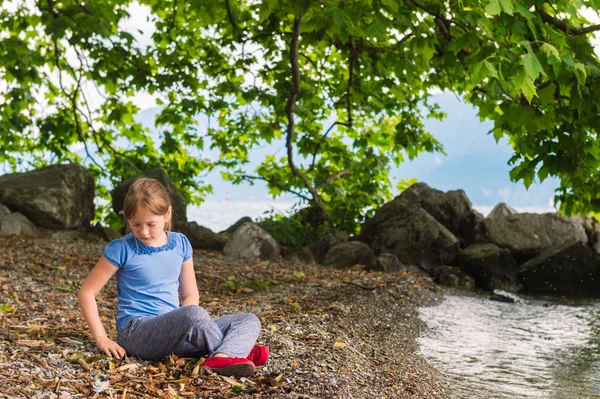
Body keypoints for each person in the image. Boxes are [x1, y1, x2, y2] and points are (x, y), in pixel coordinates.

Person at [78, 177, 268, 378]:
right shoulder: (121, 249)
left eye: (151, 224)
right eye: (135, 224)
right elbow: (86, 293)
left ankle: (223, 355)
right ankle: (237, 351)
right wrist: (101, 338)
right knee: (193, 315)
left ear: (167, 213)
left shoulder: (180, 243)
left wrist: (192, 324)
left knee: (248, 320)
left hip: (176, 330)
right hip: (137, 332)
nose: (143, 232)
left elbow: (190, 294)